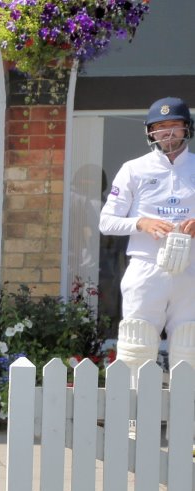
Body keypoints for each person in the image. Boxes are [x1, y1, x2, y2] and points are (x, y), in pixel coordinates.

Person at [99, 96, 195, 373]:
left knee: (189, 344)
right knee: (136, 344)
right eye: (160, 126)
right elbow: (107, 222)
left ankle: (186, 416)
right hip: (146, 265)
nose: (168, 133)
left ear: (186, 128)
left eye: (174, 125)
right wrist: (141, 223)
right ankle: (132, 416)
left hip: (190, 269)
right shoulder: (134, 169)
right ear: (150, 131)